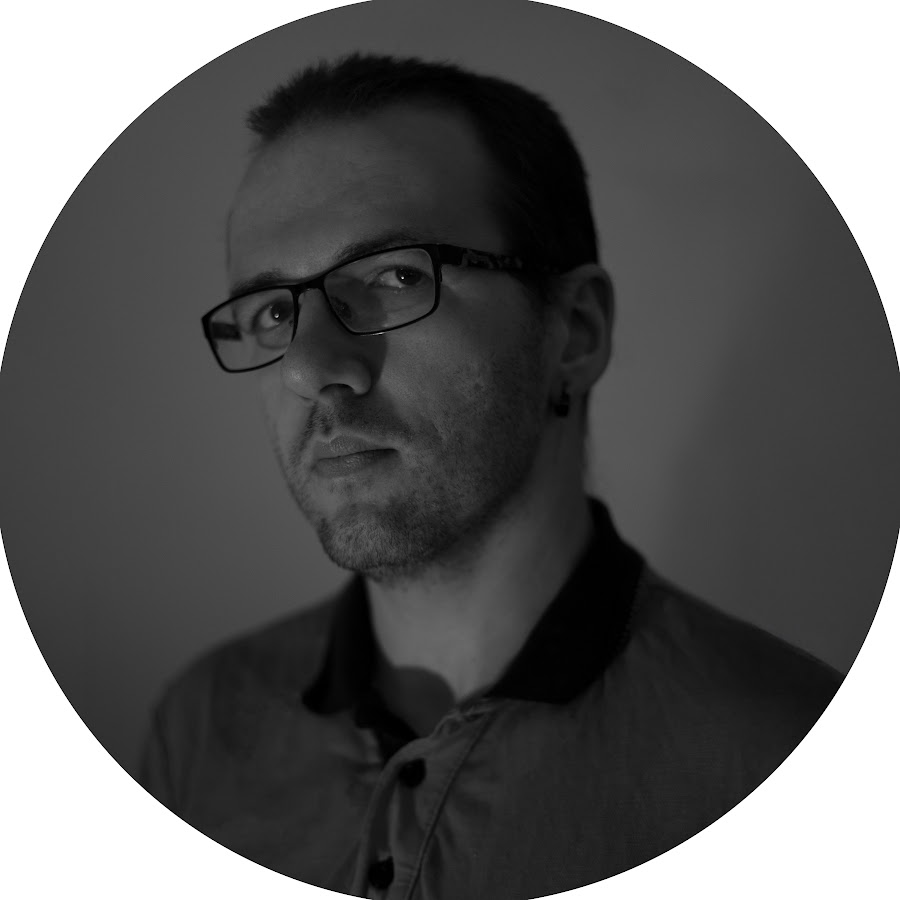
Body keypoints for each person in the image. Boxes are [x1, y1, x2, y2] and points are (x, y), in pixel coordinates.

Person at [142, 53, 841, 898]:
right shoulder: (200, 730)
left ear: (575, 332)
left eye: (395, 276)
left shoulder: (793, 761)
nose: (310, 367)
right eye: (271, 312)